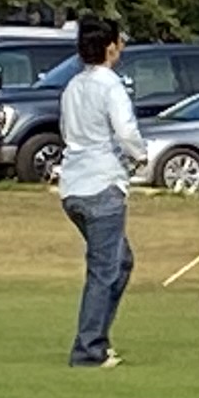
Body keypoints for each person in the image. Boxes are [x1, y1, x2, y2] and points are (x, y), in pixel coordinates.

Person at [57, 18, 144, 369]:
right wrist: (140, 155)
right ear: (111, 47)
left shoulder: (72, 86)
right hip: (101, 185)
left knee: (121, 262)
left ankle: (99, 338)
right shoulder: (111, 85)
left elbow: (66, 131)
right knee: (104, 270)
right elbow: (125, 131)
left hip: (73, 187)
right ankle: (88, 348)